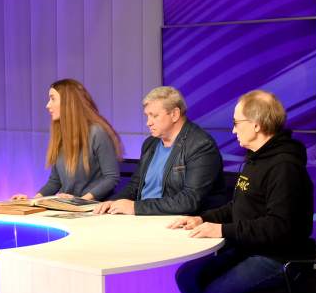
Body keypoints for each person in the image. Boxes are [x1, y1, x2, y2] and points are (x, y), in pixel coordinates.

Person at [169, 90, 316, 293]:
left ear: (257, 125)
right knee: (189, 277)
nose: (233, 130)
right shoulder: (256, 158)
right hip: (253, 246)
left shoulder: (284, 167)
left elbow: (278, 228)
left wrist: (221, 229)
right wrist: (201, 218)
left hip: (281, 256)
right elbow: (240, 207)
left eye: (237, 123)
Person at [94, 86, 225, 215]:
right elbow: (135, 186)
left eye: (154, 116)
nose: (148, 123)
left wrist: (135, 207)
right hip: (143, 216)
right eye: (147, 116)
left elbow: (189, 201)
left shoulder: (201, 145)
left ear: (174, 114)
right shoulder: (150, 143)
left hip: (176, 221)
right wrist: (113, 202)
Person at [12, 78, 122, 201]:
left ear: (68, 102)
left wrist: (80, 201)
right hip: (68, 206)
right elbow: (55, 182)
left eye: (53, 99)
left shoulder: (97, 132)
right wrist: (32, 201)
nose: (47, 105)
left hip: (92, 207)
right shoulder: (61, 136)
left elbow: (111, 178)